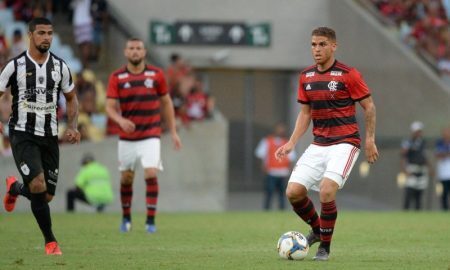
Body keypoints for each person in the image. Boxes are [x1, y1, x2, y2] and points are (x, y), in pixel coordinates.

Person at [274, 27, 378, 261]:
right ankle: (319, 230)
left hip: (345, 142)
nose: (317, 49)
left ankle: (324, 249)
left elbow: (369, 107)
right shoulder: (306, 77)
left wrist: (370, 139)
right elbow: (305, 114)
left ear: (333, 46)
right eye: (313, 45)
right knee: (293, 192)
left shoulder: (348, 75)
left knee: (327, 190)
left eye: (322, 44)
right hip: (319, 144)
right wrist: (291, 142)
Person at [0, 17, 80, 255]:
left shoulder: (60, 67)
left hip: (49, 136)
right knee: (37, 183)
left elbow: (72, 98)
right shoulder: (14, 66)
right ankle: (51, 242)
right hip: (23, 134)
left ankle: (14, 188)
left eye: (50, 33)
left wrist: (74, 125)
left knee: (45, 196)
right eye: (42, 33)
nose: (46, 37)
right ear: (31, 35)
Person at [105, 38, 182, 234]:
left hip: (151, 135)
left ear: (144, 52)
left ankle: (150, 221)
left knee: (151, 172)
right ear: (125, 52)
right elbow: (109, 107)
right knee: (126, 178)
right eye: (131, 48)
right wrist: (120, 121)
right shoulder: (117, 77)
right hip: (127, 137)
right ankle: (126, 218)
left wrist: (172, 131)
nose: (135, 52)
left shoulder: (156, 75)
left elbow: (166, 103)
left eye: (138, 48)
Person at [255, 123, 296, 210]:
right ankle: (267, 209)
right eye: (279, 128)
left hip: (283, 172)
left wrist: (291, 170)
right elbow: (261, 155)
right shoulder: (267, 141)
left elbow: (291, 158)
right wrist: (263, 167)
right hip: (271, 172)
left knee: (282, 194)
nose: (280, 131)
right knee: (269, 192)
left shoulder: (287, 143)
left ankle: (282, 210)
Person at [400, 121, 431, 210]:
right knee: (409, 193)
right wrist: (404, 169)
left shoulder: (423, 142)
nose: (419, 133)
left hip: (421, 170)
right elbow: (403, 155)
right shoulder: (408, 142)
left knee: (419, 194)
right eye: (417, 131)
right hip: (411, 169)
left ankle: (418, 214)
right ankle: (405, 212)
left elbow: (424, 156)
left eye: (420, 131)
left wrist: (430, 168)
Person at [435, 126, 450, 211]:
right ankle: (444, 210)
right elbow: (438, 155)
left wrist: (444, 154)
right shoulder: (440, 143)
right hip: (443, 174)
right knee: (443, 194)